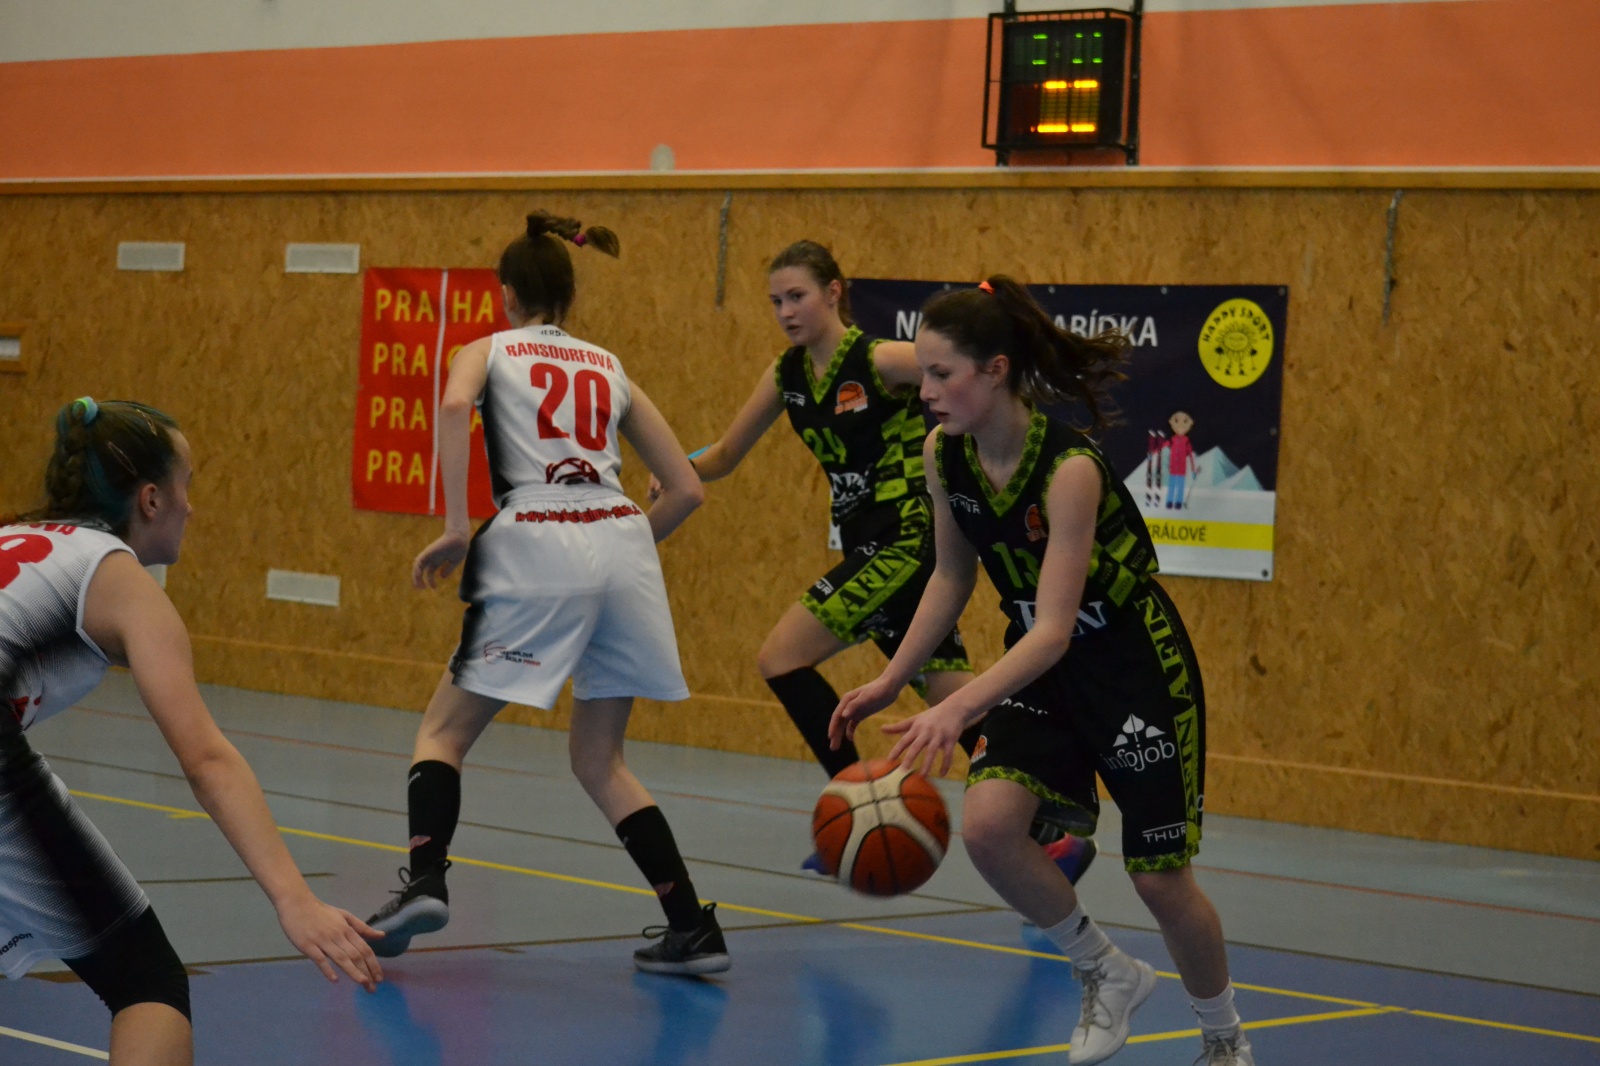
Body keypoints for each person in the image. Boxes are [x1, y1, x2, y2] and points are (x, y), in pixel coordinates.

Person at [831, 278, 1254, 1066]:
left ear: (995, 370)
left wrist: (956, 708)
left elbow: (1056, 629)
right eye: (921, 374)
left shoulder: (1069, 469)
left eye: (941, 374)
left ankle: (1224, 1039)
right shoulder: (943, 454)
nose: (925, 392)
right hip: (1042, 669)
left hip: (1131, 670)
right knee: (990, 828)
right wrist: (893, 677)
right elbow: (951, 576)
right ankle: (1105, 970)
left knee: (1160, 882)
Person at [659, 241, 1095, 880]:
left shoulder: (880, 359)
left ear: (834, 292)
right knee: (951, 698)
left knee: (782, 656)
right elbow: (724, 453)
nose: (785, 311)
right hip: (866, 544)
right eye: (775, 301)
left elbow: (962, 377)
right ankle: (1052, 833)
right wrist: (677, 468)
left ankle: (858, 806)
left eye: (798, 296)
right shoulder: (786, 376)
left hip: (909, 540)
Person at [365, 212, 729, 976]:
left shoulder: (488, 349)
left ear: (506, 295)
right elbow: (688, 489)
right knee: (601, 760)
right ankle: (692, 927)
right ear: (570, 295)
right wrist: (614, 551)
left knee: (443, 734)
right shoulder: (609, 364)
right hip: (622, 543)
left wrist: (457, 527)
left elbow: (455, 406)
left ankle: (426, 879)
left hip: (536, 534)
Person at [1, 398, 383, 1066]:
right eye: (187, 486)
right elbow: (207, 758)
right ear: (151, 499)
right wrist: (293, 898)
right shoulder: (116, 577)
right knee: (146, 982)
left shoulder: (17, 540)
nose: (192, 508)